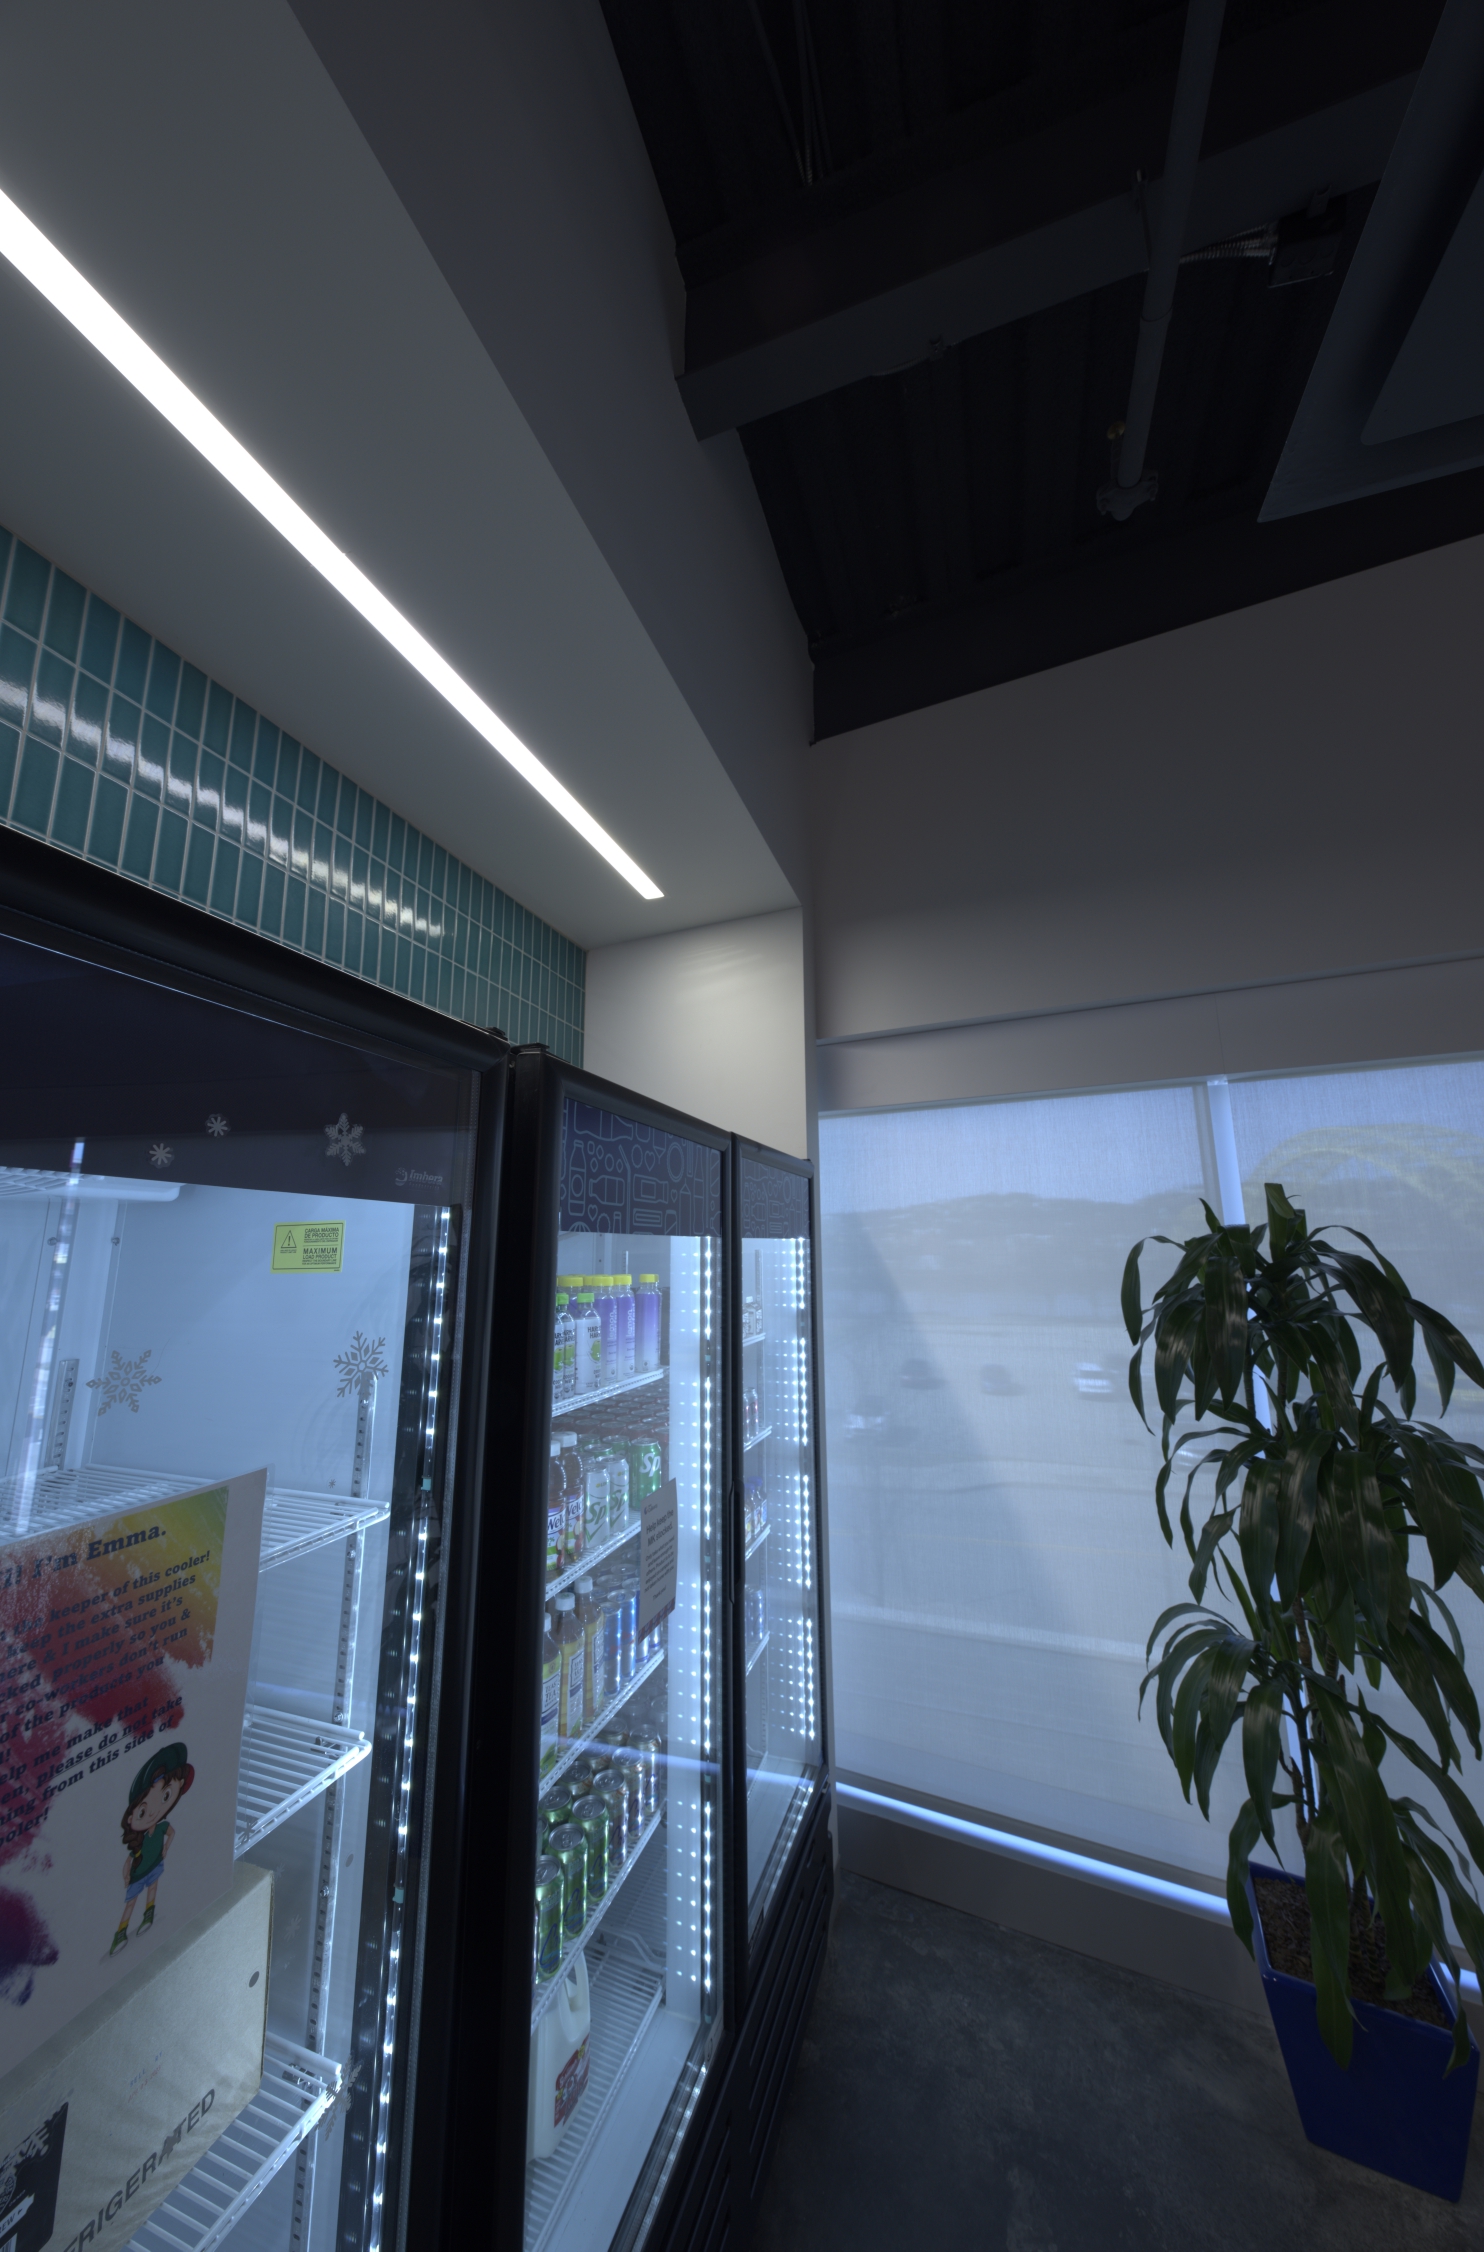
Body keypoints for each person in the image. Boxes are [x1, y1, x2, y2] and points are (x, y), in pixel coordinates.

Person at [110, 1741, 194, 1957]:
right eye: (143, 1810)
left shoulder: (161, 1828)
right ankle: (120, 1933)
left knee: (153, 1889)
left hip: (155, 1864)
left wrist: (165, 1849)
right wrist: (126, 1875)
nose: (154, 1812)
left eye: (166, 1796)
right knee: (131, 1902)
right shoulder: (139, 1841)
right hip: (138, 1873)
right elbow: (129, 1860)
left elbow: (172, 1833)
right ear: (131, 1818)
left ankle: (149, 1915)